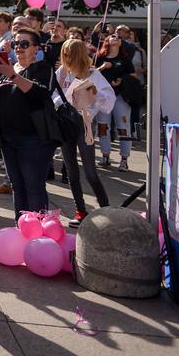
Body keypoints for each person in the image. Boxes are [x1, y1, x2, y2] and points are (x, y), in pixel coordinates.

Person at [0, 26, 57, 218]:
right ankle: (22, 227)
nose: (18, 47)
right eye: (16, 43)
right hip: (7, 137)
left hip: (32, 138)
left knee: (33, 185)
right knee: (17, 185)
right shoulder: (8, 68)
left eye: (24, 44)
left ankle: (38, 232)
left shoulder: (42, 68)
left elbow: (41, 93)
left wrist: (11, 75)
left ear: (36, 48)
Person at [55, 38, 113, 226]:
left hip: (84, 124)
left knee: (90, 171)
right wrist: (63, 102)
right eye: (65, 53)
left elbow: (108, 101)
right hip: (65, 123)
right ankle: (80, 210)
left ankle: (105, 209)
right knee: (71, 171)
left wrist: (96, 93)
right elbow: (52, 95)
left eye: (70, 54)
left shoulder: (92, 74)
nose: (67, 57)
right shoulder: (61, 73)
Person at [95, 31, 138, 170]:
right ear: (107, 40)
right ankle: (105, 155)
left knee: (123, 127)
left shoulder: (125, 59)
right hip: (103, 97)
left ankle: (124, 159)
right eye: (113, 36)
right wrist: (102, 67)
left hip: (120, 96)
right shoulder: (99, 57)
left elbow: (133, 76)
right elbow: (91, 74)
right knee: (102, 126)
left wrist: (121, 80)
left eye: (119, 37)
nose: (116, 38)